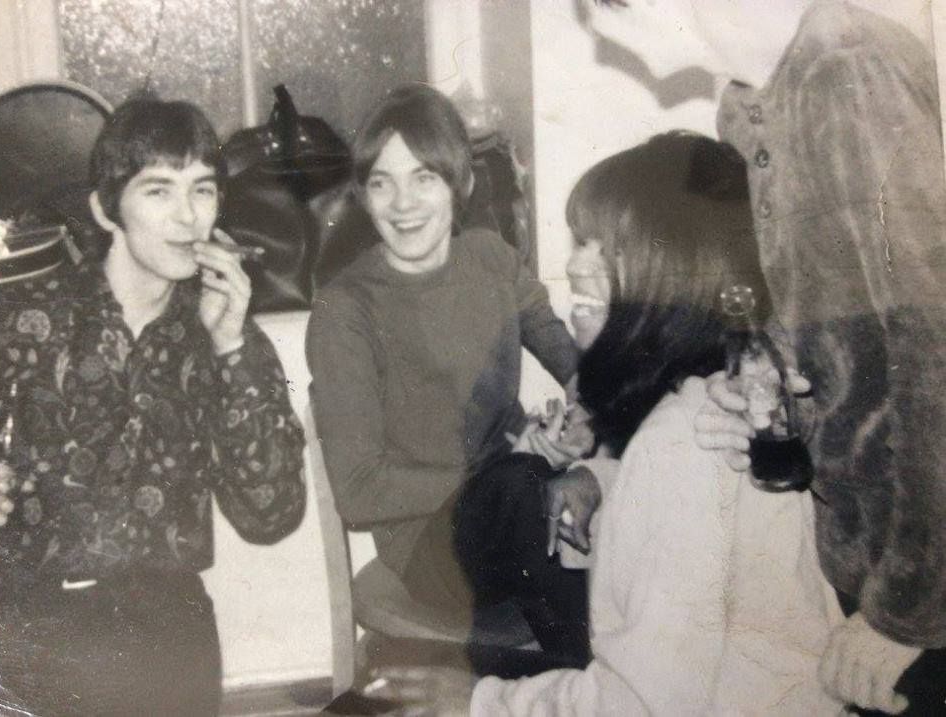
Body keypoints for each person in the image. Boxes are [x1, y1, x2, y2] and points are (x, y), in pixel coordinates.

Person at [371, 132, 844, 715]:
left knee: (392, 691)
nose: (573, 265)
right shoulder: (715, 399)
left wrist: (481, 703)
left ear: (669, 272)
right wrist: (601, 478)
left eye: (601, 248)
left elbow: (640, 705)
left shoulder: (684, 439)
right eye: (579, 243)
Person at [584, 2, 946, 714]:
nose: (607, 37)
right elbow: (843, 322)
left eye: (606, 13)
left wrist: (908, 613)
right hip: (866, 565)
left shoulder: (849, 74)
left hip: (918, 584)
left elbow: (934, 350)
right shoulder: (751, 110)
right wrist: (766, 386)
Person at [0, 97, 306, 716]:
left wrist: (231, 349)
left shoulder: (226, 330)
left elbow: (271, 514)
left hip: (166, 637)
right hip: (30, 632)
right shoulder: (26, 317)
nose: (188, 217)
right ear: (106, 209)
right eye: (159, 191)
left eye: (203, 190)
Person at [307, 83, 598, 664]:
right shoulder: (346, 310)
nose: (402, 203)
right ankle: (585, 678)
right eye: (381, 183)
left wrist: (581, 419)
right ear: (363, 195)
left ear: (459, 184)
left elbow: (568, 358)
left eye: (423, 178)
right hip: (428, 546)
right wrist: (508, 468)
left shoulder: (492, 259)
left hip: (518, 505)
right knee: (528, 493)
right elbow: (359, 492)